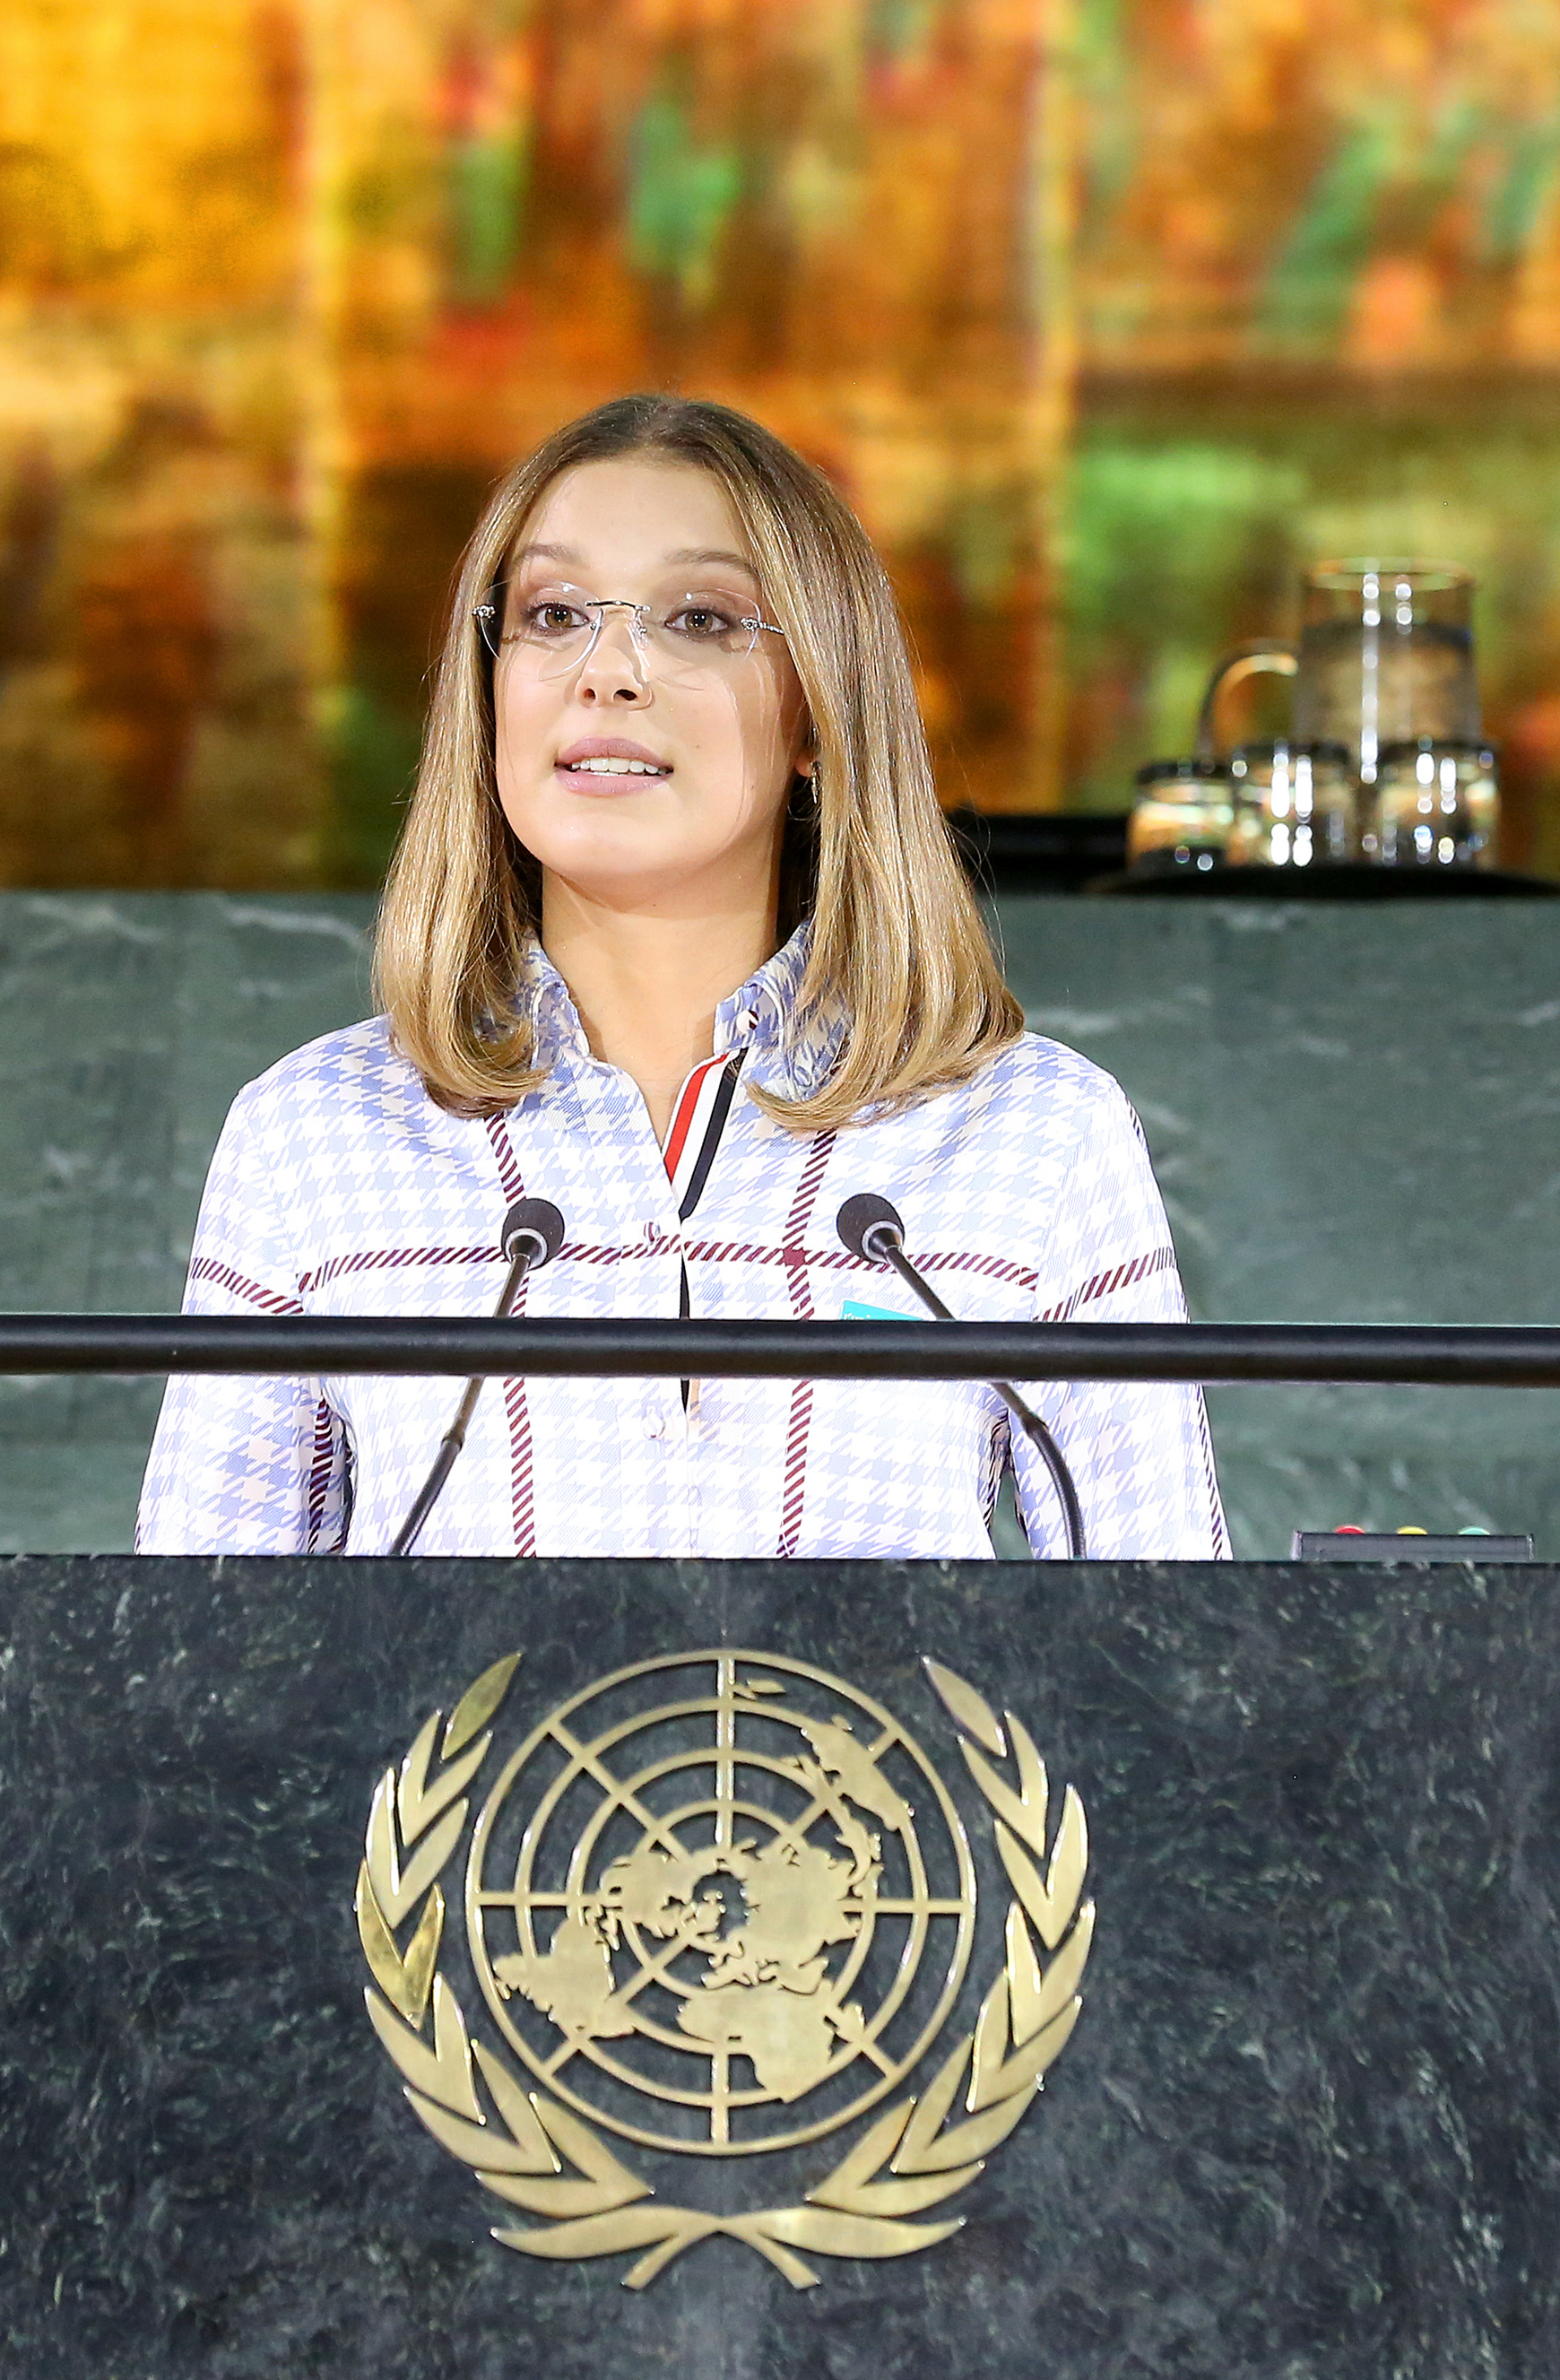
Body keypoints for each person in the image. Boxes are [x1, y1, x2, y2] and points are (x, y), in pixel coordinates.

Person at [135, 395, 1225, 1559]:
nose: (607, 671)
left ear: (820, 712)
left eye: (700, 617)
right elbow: (197, 1694)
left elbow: (1168, 1680)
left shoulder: (1037, 1134)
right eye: (554, 613)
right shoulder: (312, 1137)